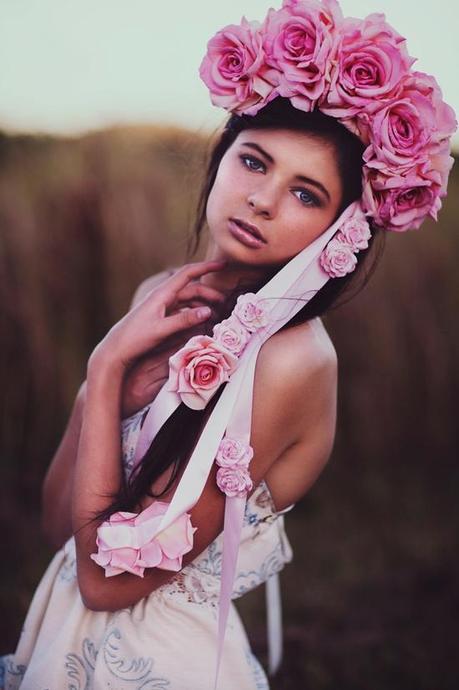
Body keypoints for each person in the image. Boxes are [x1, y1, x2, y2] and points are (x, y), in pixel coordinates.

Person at [1, 1, 455, 689]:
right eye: (253, 161)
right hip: (62, 642)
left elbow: (106, 585)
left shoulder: (292, 361)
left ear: (340, 233)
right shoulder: (162, 296)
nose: (262, 200)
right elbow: (56, 524)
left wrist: (106, 362)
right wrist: (107, 387)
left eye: (304, 194)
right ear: (218, 159)